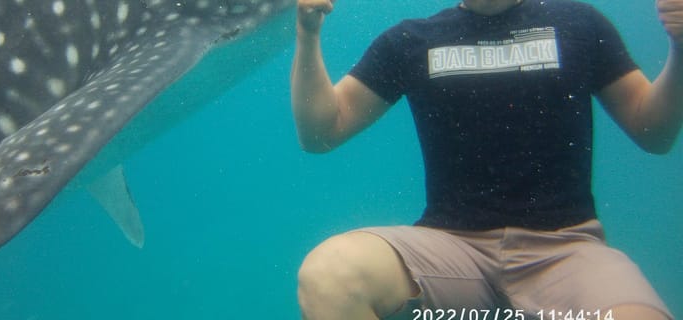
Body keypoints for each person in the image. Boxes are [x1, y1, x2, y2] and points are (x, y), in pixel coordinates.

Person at [291, 0, 682, 319]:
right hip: (450, 255)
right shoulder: (409, 40)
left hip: (567, 251)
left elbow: (654, 132)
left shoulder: (579, 23)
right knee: (330, 277)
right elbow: (322, 132)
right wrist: (307, 37)